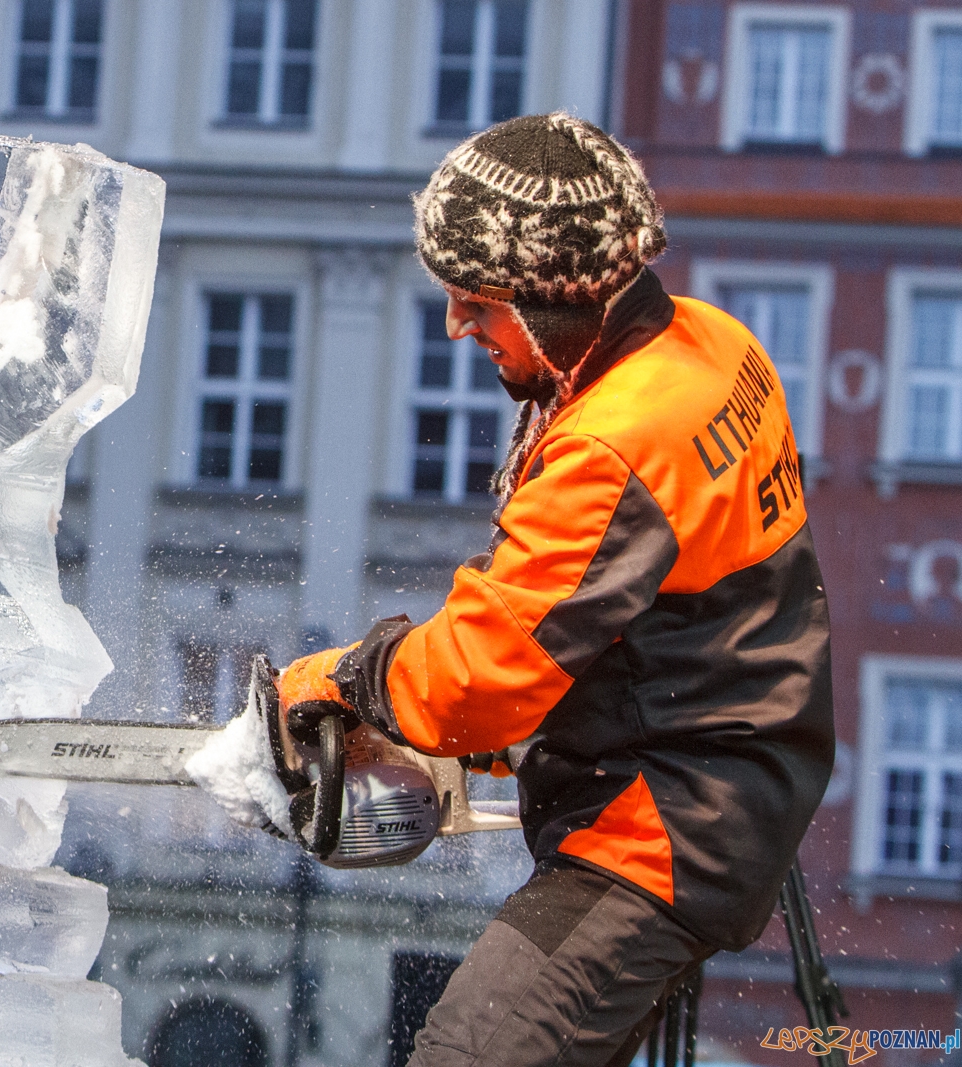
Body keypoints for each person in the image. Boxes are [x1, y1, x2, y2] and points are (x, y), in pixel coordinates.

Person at [276, 113, 834, 1067]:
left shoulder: (615, 442)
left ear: (554, 300)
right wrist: (500, 734)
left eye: (477, 303)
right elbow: (650, 615)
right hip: (731, 774)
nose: (457, 325)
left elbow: (479, 678)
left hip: (663, 824)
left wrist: (349, 680)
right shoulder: (712, 343)